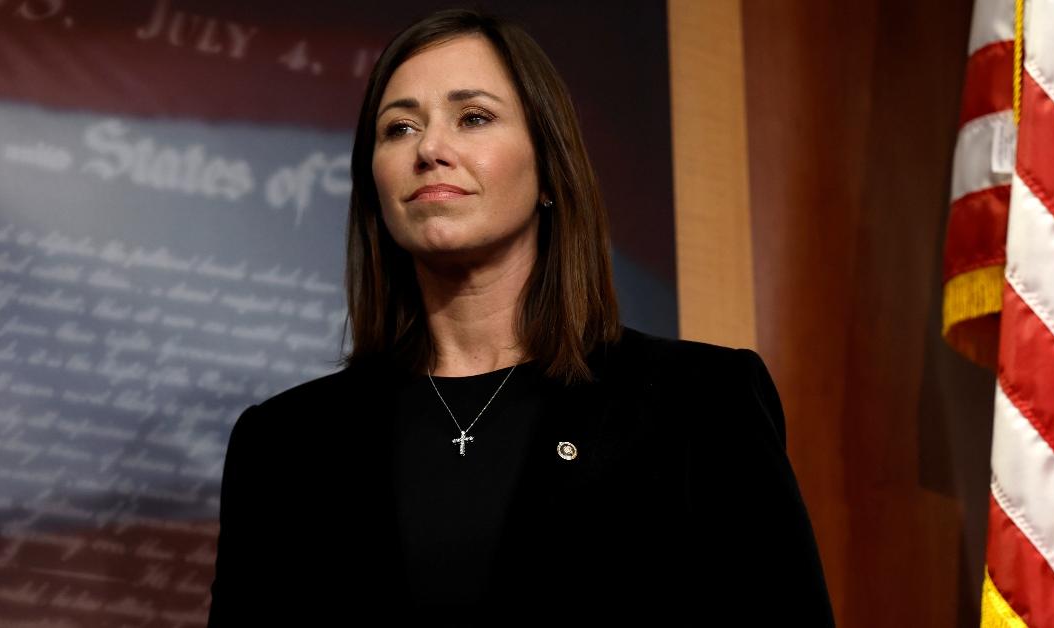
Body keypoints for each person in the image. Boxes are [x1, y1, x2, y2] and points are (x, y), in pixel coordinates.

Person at [207, 8, 833, 627]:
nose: (429, 148)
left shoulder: (702, 403)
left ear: (548, 173)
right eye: (398, 128)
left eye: (473, 117)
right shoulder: (281, 444)